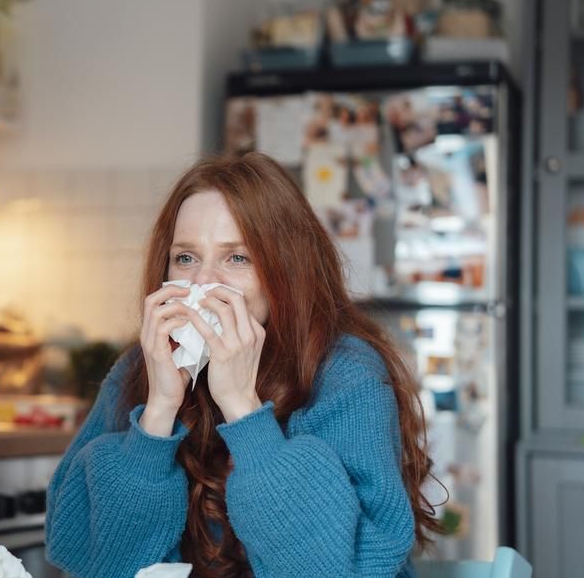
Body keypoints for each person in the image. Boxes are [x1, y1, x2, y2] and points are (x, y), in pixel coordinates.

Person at [44, 153, 440, 577]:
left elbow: (336, 570)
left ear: (286, 269)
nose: (202, 283)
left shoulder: (347, 372)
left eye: (237, 258)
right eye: (185, 258)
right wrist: (158, 413)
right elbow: (92, 561)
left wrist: (243, 411)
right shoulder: (140, 368)